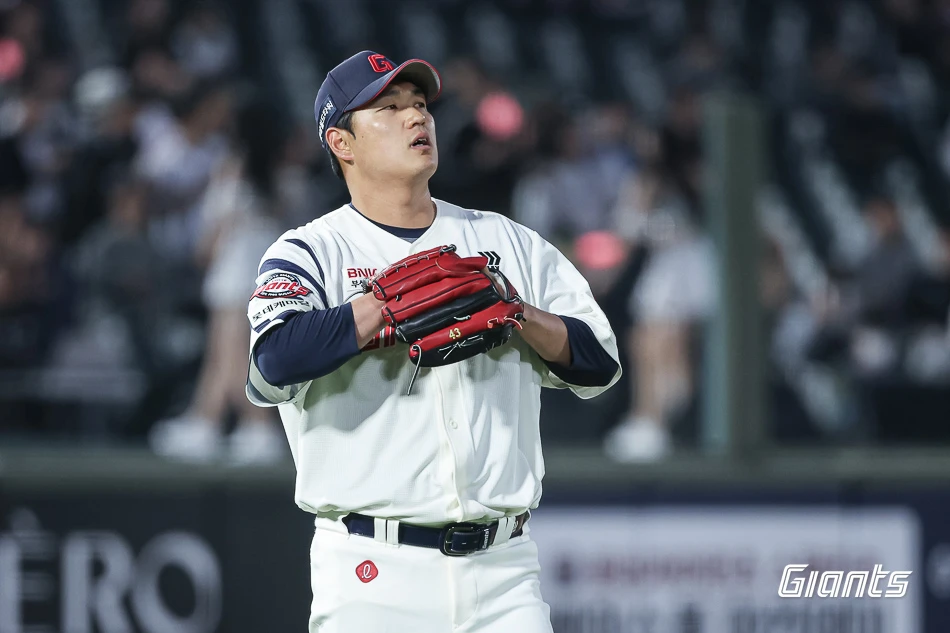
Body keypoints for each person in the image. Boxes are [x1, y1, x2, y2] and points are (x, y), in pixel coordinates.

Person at [245, 51, 621, 632]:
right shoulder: (311, 251)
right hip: (372, 573)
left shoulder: (506, 242)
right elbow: (273, 361)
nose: (416, 117)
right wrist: (382, 311)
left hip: (505, 573)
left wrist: (517, 313)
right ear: (341, 143)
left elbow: (599, 363)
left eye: (420, 104)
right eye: (389, 108)